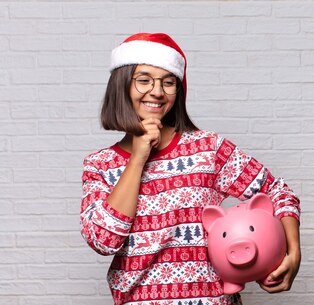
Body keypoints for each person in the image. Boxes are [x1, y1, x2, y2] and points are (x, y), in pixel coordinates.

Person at [79, 33, 301, 305]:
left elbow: (277, 192)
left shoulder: (207, 149)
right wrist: (137, 158)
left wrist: (293, 252)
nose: (157, 92)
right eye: (144, 80)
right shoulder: (99, 165)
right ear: (122, 85)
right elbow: (104, 241)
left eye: (168, 82)